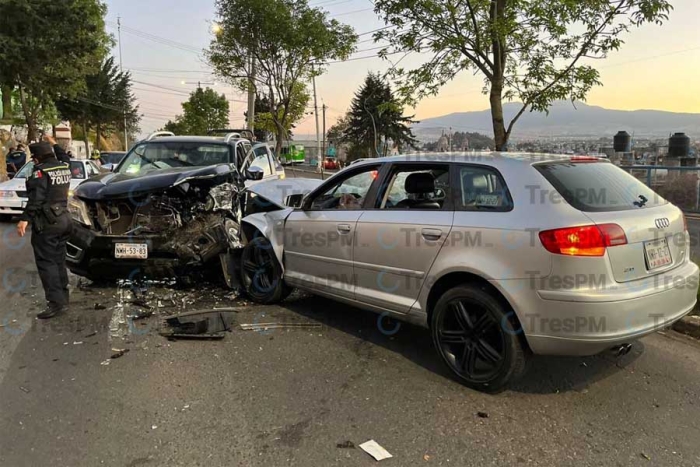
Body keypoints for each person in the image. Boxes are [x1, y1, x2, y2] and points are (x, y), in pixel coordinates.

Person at [16, 142, 72, 319]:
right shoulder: (63, 167)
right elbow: (64, 157)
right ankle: (63, 297)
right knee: (59, 260)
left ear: (36, 157)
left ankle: (55, 304)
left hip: (47, 222)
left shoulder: (39, 172)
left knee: (46, 263)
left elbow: (36, 199)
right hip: (64, 219)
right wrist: (55, 143)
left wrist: (25, 219)